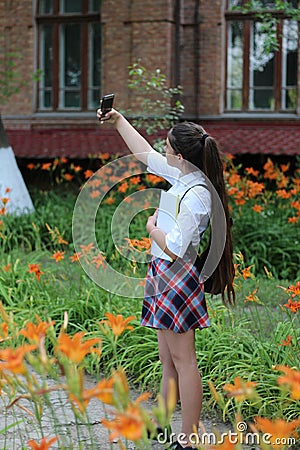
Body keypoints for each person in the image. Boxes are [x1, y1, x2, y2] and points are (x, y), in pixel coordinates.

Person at [96, 106, 235, 450]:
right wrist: (118, 120)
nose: (163, 151)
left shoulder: (199, 194)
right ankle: (162, 423)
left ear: (181, 156)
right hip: (163, 275)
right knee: (167, 359)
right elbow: (145, 155)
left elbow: (174, 248)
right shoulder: (183, 176)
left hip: (175, 277)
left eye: (168, 148)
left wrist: (151, 228)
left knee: (185, 361)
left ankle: (187, 441)